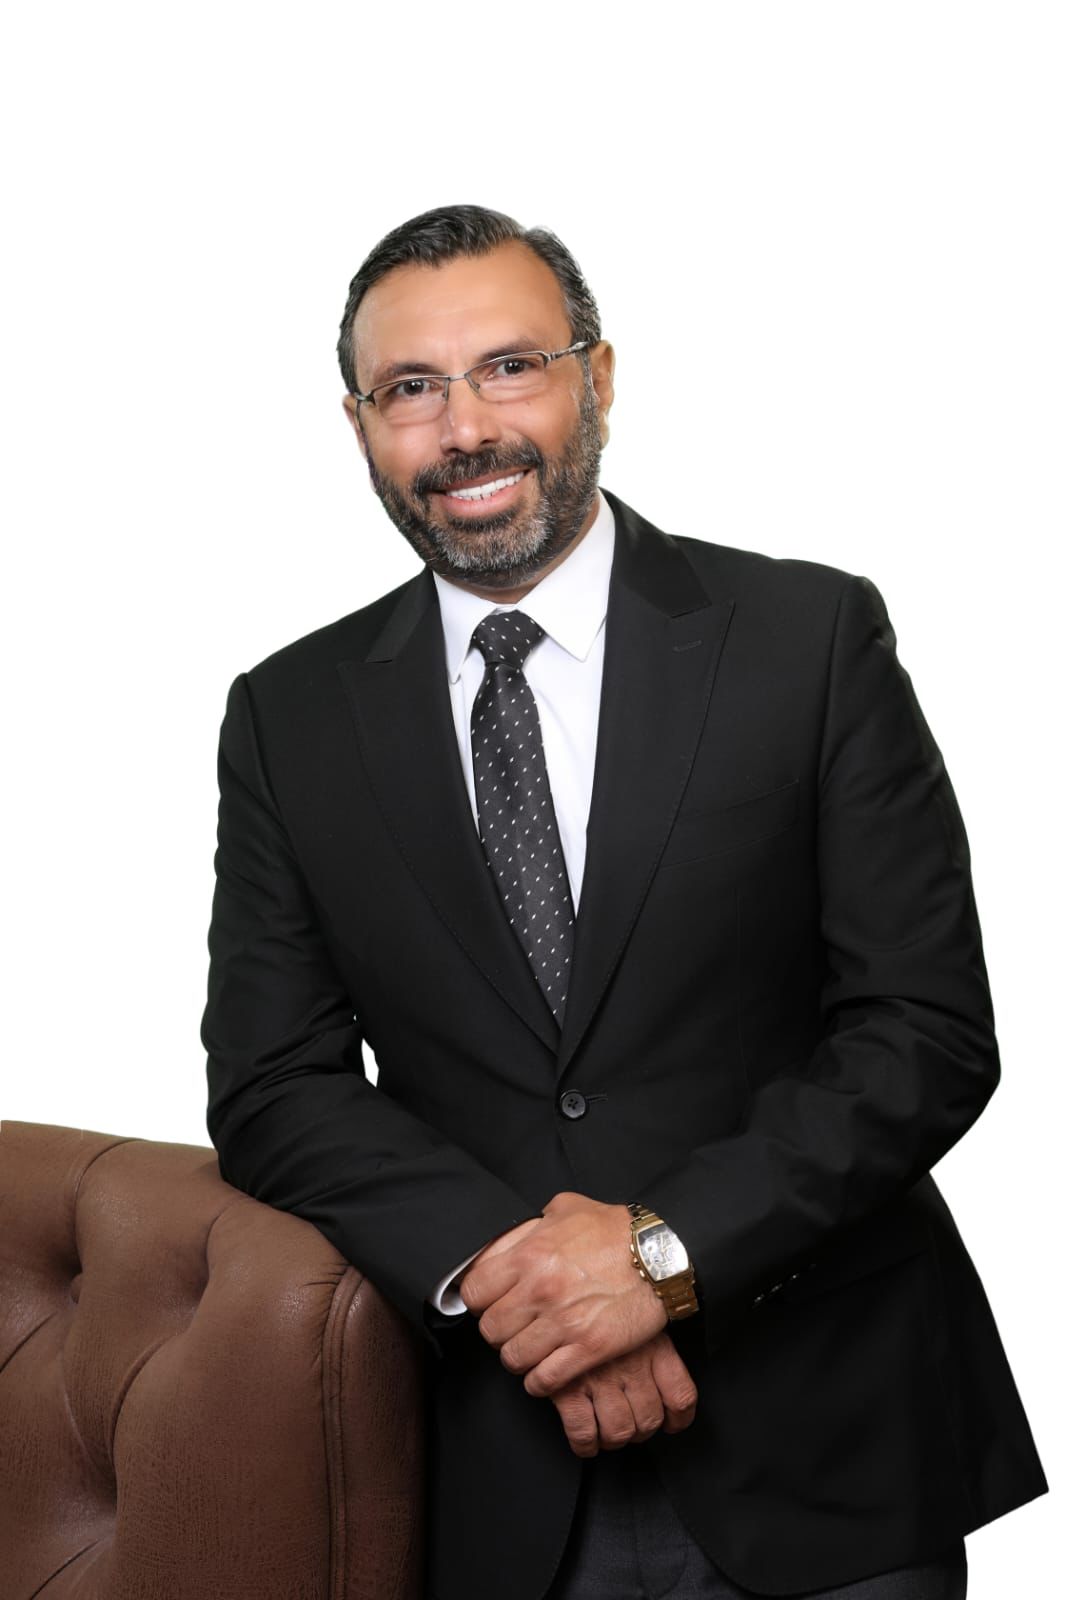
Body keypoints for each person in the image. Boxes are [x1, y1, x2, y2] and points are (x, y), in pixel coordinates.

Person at [201, 205, 1047, 1600]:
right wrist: (521, 1281)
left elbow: (924, 1031)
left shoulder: (807, 640)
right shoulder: (288, 716)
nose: (465, 427)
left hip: (828, 1440)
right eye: (411, 388)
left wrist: (659, 1259)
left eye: (509, 367)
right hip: (495, 1462)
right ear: (359, 426)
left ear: (597, 375)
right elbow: (274, 1083)